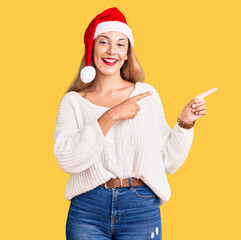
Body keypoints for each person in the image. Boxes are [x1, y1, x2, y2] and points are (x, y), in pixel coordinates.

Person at [53, 7, 217, 240]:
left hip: (140, 208)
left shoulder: (146, 94)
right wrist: (109, 117)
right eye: (104, 42)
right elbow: (68, 160)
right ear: (92, 48)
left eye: (121, 44)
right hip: (87, 208)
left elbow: (169, 162)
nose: (112, 51)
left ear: (128, 53)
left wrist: (185, 123)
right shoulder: (73, 102)